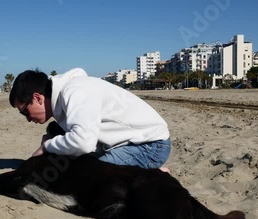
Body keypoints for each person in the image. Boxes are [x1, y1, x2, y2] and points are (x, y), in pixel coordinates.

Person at [9, 68, 171, 170]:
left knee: (90, 179)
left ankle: (150, 171)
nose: (28, 119)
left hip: (150, 145)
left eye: (24, 111)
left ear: (37, 98)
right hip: (125, 143)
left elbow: (83, 142)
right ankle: (144, 169)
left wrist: (48, 146)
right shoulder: (64, 97)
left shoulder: (74, 91)